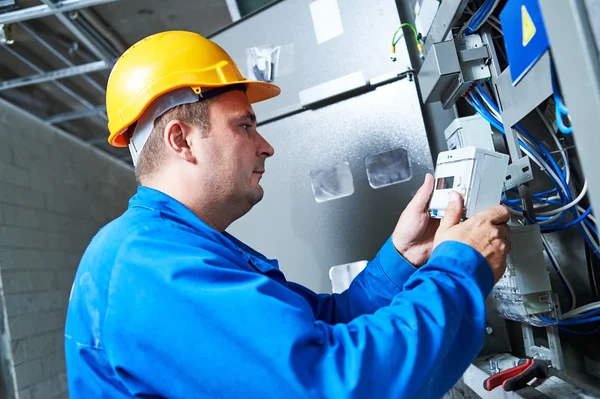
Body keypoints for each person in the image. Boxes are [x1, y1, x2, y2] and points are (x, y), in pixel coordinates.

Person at [65, 31, 510, 398]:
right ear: (182, 140)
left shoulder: (180, 246)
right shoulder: (149, 266)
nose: (266, 146)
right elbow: (330, 383)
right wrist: (459, 268)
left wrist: (403, 255)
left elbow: (325, 324)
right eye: (244, 125)